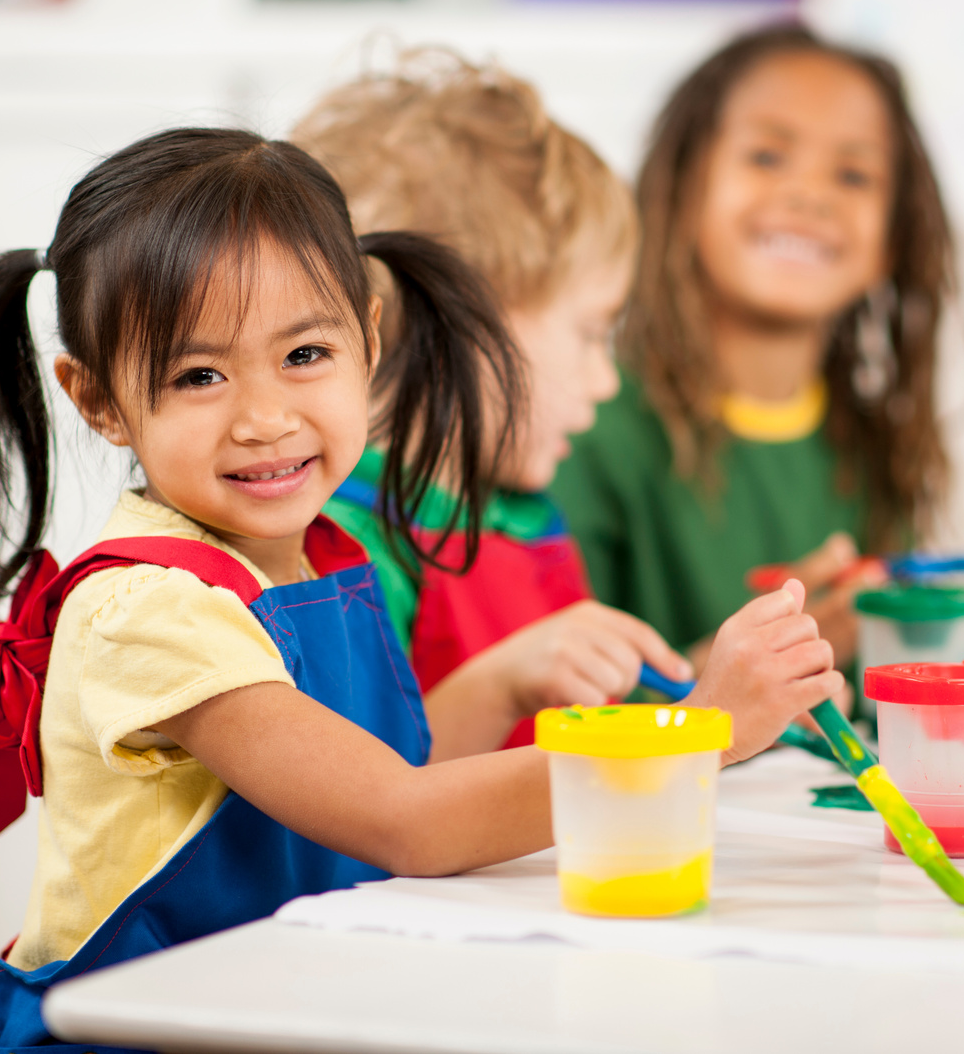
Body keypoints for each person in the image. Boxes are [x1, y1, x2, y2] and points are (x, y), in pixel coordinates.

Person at [0, 127, 842, 1053]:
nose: (266, 418)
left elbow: (359, 781)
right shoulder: (153, 609)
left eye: (305, 356)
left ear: (366, 337)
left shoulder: (314, 553)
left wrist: (502, 681)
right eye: (199, 375)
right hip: (134, 1034)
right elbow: (402, 819)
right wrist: (701, 735)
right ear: (98, 399)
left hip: (282, 1007)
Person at [293, 50, 687, 757]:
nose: (607, 380)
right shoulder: (335, 547)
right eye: (591, 333)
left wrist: (727, 695)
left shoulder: (520, 518)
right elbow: (356, 803)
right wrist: (500, 686)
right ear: (463, 324)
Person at [549, 23, 963, 666]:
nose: (809, 195)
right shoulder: (585, 431)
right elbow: (547, 718)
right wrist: (747, 672)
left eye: (853, 175)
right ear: (683, 191)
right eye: (767, 157)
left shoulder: (876, 444)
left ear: (894, 239)